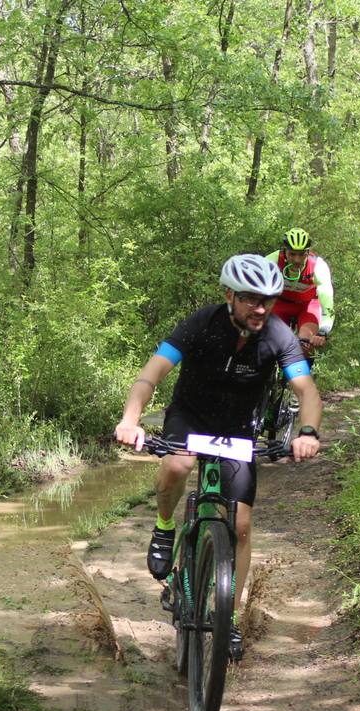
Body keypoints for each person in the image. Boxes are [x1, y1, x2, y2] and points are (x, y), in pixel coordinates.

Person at [113, 253, 322, 660]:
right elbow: (150, 374)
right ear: (229, 295)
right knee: (178, 464)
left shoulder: (278, 334)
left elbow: (307, 391)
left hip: (238, 430)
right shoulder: (200, 324)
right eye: (250, 299)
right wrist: (130, 419)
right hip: (190, 418)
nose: (260, 308)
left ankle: (229, 619)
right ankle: (162, 527)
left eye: (268, 300)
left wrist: (308, 432)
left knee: (241, 523)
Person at [264, 228, 333, 350]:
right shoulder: (271, 262)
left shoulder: (318, 267)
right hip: (280, 304)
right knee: (270, 342)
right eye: (292, 254)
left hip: (308, 306)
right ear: (284, 251)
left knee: (305, 346)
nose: (297, 260)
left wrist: (323, 331)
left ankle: (302, 366)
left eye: (302, 254)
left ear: (308, 252)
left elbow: (327, 304)